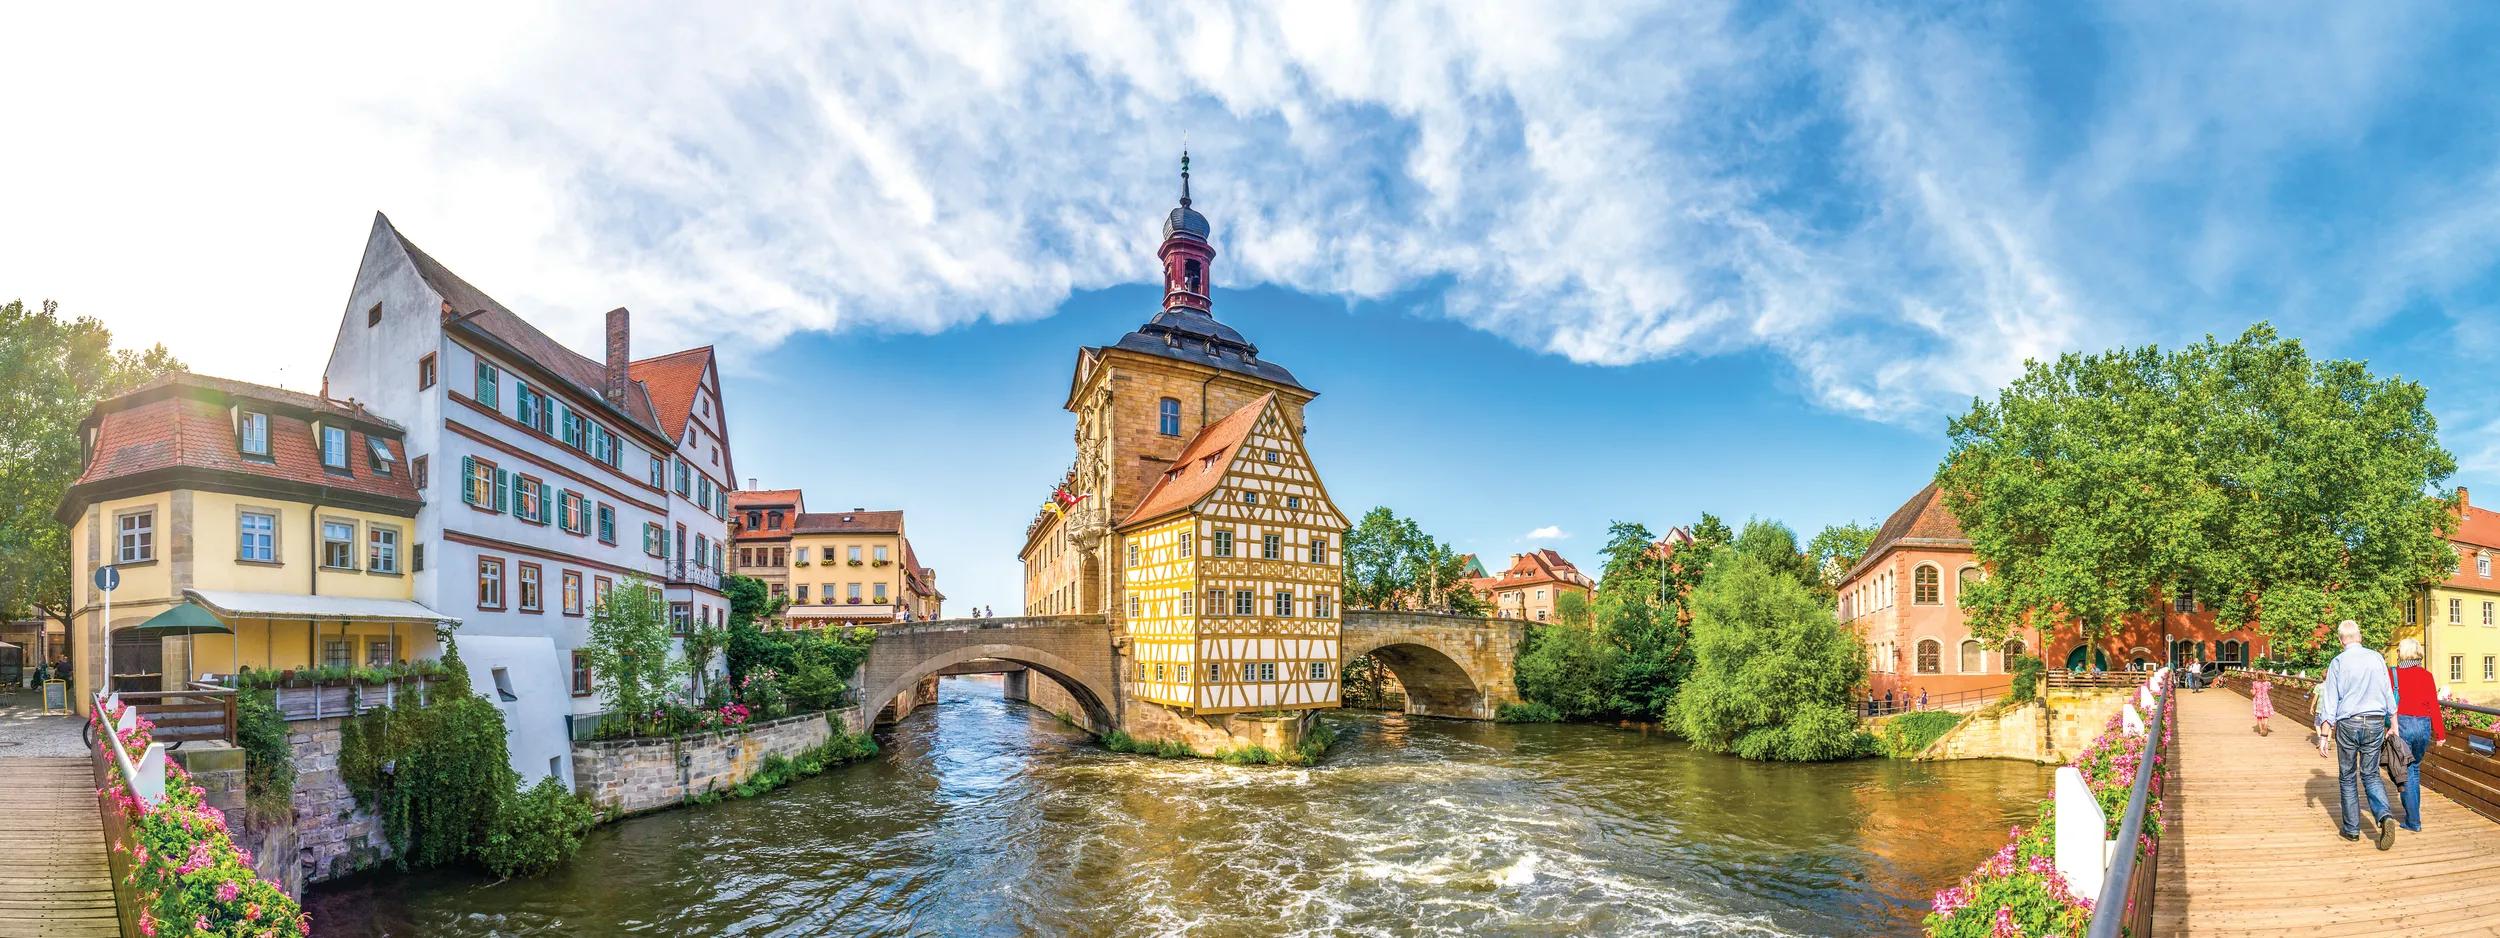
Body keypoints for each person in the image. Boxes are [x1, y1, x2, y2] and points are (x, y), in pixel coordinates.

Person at [2313, 619, 2398, 849]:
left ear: (2341, 640)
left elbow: (2330, 700)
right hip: (2374, 722)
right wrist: (2394, 724)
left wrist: (2324, 735)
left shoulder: (2338, 662)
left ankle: (2351, 830)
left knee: (2348, 776)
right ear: (2359, 636)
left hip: (2348, 723)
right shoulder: (2376, 658)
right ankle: (2384, 816)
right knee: (2371, 774)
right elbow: (2387, 692)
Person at [2389, 638, 2445, 833]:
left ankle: (2413, 821)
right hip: (2423, 726)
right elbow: (2434, 705)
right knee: (2413, 769)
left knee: (2404, 771)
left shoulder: (2393, 674)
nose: (2396, 654)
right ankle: (2414, 818)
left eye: (2398, 651)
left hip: (2402, 725)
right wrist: (2440, 734)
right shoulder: (2426, 676)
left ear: (2402, 653)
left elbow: (2386, 702)